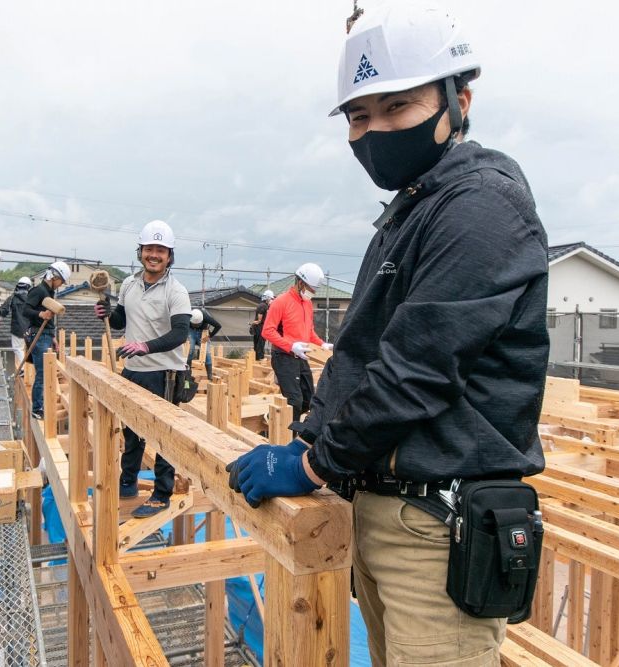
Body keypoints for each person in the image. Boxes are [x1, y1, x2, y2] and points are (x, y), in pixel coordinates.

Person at [227, 3, 549, 665]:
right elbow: (364, 355)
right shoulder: (411, 211)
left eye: (397, 108)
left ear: (459, 101)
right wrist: (312, 436)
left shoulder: (481, 208)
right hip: (383, 511)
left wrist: (311, 463)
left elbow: (415, 371)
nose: (374, 131)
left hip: (437, 526)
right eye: (359, 116)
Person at [95, 220, 192, 518]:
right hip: (134, 369)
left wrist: (146, 346)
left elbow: (180, 333)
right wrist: (108, 314)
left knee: (163, 434)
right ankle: (128, 482)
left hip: (164, 372)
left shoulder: (176, 291)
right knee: (132, 430)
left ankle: (161, 493)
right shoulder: (129, 284)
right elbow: (123, 319)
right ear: (140, 252)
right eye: (149, 248)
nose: (154, 255)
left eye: (161, 250)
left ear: (169, 256)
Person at [261, 263, 332, 421]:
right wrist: (291, 346)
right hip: (283, 357)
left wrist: (322, 344)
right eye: (311, 288)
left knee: (308, 400)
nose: (313, 292)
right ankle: (288, 439)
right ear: (300, 282)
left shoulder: (307, 303)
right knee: (294, 401)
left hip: (300, 357)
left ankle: (275, 418)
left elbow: (309, 332)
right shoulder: (281, 302)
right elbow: (267, 331)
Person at [25, 261, 71, 417]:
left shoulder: (50, 293)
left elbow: (51, 319)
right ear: (54, 276)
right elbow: (25, 310)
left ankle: (41, 405)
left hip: (46, 334)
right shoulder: (38, 291)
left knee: (47, 371)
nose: (60, 285)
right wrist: (40, 314)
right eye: (61, 281)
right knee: (42, 372)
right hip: (37, 334)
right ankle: (37, 409)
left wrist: (53, 336)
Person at [186, 308, 221, 380]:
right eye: (194, 324)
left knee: (207, 352)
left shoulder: (205, 317)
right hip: (191, 331)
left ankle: (209, 375)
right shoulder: (187, 317)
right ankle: (187, 374)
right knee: (190, 351)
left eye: (197, 324)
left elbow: (218, 326)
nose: (196, 326)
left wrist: (209, 336)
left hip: (203, 331)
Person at [6, 276, 32, 370]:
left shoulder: (12, 298)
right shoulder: (32, 298)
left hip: (17, 329)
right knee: (31, 349)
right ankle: (31, 370)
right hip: (30, 328)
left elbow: (4, 310)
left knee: (18, 348)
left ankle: (23, 369)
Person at [250, 289, 274, 361]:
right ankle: (260, 357)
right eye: (271, 298)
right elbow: (259, 319)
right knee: (260, 342)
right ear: (268, 298)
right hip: (260, 327)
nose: (271, 300)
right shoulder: (263, 306)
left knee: (258, 342)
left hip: (259, 326)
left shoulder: (263, 305)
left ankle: (257, 357)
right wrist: (256, 322)